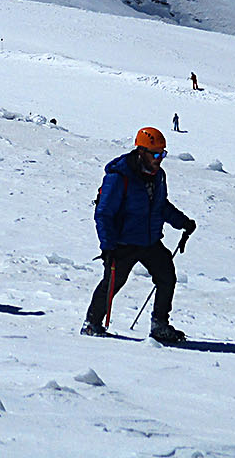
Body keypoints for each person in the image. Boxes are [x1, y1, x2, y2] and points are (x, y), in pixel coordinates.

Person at [82, 126, 196, 342]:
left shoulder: (158, 176)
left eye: (162, 154)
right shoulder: (119, 177)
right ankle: (92, 324)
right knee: (113, 282)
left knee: (167, 277)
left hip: (150, 240)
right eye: (155, 154)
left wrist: (183, 222)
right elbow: (104, 214)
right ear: (141, 151)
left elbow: (160, 206)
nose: (159, 159)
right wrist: (107, 247)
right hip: (123, 243)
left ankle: (159, 325)